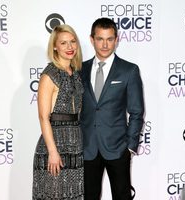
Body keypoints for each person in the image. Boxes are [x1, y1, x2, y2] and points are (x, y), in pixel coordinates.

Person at [80, 17, 144, 200]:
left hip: (117, 148)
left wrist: (130, 147)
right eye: (100, 39)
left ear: (117, 39)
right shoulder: (80, 70)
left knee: (122, 196)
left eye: (109, 39)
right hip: (88, 148)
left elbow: (137, 112)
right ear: (92, 39)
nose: (105, 44)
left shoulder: (128, 70)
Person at [32, 24, 84, 199]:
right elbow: (43, 116)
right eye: (63, 43)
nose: (70, 47)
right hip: (55, 144)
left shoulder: (75, 73)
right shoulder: (49, 75)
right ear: (55, 46)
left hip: (75, 143)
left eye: (72, 42)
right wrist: (52, 151)